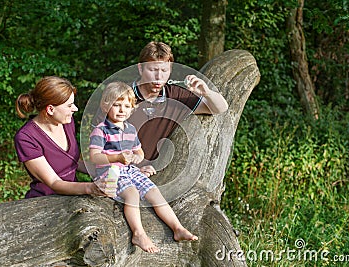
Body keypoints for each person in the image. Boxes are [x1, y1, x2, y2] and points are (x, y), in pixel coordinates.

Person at [89, 82, 198, 253]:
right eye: (116, 105)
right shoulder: (101, 130)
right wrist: (117, 157)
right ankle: (138, 233)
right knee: (132, 193)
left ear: (132, 109)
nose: (121, 109)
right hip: (110, 173)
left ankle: (177, 228)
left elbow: (139, 152)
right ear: (105, 106)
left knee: (154, 191)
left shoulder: (130, 129)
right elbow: (94, 156)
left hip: (130, 171)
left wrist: (137, 158)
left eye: (126, 106)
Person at [128, 41, 229, 176]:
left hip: (155, 175)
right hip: (119, 173)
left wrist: (206, 92)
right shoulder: (121, 96)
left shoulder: (176, 96)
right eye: (153, 70)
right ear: (140, 68)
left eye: (164, 71)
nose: (159, 77)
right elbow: (101, 146)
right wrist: (132, 170)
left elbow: (220, 108)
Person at [14, 76, 116, 198]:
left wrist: (110, 170)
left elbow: (72, 162)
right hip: (44, 202)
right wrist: (91, 187)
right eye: (69, 105)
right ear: (50, 109)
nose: (75, 109)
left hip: (73, 196)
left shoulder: (66, 122)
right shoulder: (26, 138)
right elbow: (54, 182)